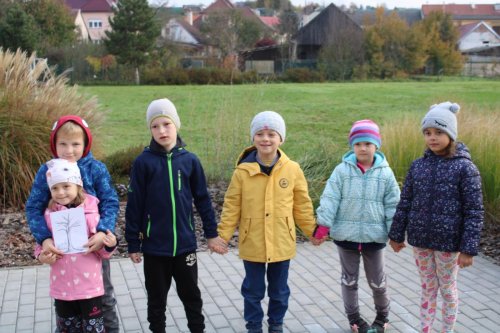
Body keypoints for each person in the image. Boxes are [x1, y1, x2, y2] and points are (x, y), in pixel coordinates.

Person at [125, 98, 227, 333]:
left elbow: (203, 200)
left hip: (185, 246)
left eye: (166, 124)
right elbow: (135, 205)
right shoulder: (143, 162)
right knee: (156, 301)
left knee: (191, 296)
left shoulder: (190, 161)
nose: (161, 130)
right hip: (154, 249)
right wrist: (133, 243)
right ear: (150, 129)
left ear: (176, 125)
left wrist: (211, 234)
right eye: (155, 126)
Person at [216, 111, 324, 333]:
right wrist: (223, 236)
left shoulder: (292, 169)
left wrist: (311, 230)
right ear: (253, 138)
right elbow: (232, 206)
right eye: (260, 134)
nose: (265, 139)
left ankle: (276, 324)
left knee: (279, 290)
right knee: (253, 290)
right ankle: (253, 325)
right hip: (252, 240)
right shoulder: (242, 172)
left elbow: (302, 204)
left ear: (281, 139)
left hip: (282, 241)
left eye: (271, 134)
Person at [388, 102, 484, 333]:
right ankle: (425, 330)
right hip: (421, 241)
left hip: (449, 245)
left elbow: (474, 211)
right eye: (428, 133)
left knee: (447, 290)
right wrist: (396, 234)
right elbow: (406, 203)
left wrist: (468, 248)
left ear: (451, 134)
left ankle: (446, 330)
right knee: (428, 289)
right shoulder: (418, 166)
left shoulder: (465, 168)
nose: (432, 138)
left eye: (439, 132)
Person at [25, 115, 120, 332]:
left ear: (85, 143)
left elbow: (110, 201)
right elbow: (33, 207)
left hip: (93, 250)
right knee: (66, 305)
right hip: (61, 254)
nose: (69, 150)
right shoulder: (46, 171)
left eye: (76, 144)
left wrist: (103, 231)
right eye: (63, 144)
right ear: (54, 144)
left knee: (103, 300)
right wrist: (44, 239)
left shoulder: (95, 168)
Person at [314, 119, 400, 333]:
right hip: (346, 238)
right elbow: (330, 199)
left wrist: (395, 235)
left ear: (376, 146)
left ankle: (382, 317)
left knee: (378, 283)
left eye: (368, 144)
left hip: (374, 238)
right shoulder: (341, 171)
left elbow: (393, 205)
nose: (363, 148)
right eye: (358, 144)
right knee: (349, 281)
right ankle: (354, 320)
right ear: (352, 146)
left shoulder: (385, 174)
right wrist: (323, 227)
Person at [36, 158, 117, 332]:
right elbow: (42, 245)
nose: (61, 192)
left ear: (78, 186)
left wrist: (108, 245)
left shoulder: (91, 216)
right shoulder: (50, 216)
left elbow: (103, 254)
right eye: (55, 188)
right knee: (68, 329)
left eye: (66, 186)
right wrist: (42, 255)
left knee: (93, 329)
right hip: (62, 289)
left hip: (89, 288)